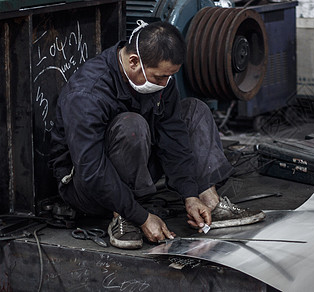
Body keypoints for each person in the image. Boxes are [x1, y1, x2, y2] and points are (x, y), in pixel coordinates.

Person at [48, 20, 265, 249]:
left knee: (194, 110)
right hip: (86, 186)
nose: (165, 83)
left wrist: (189, 193)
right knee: (132, 125)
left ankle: (208, 200)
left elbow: (174, 136)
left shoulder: (159, 78)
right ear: (134, 62)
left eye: (169, 77)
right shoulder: (88, 93)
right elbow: (91, 169)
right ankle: (121, 217)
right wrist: (140, 216)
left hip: (138, 171)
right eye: (159, 77)